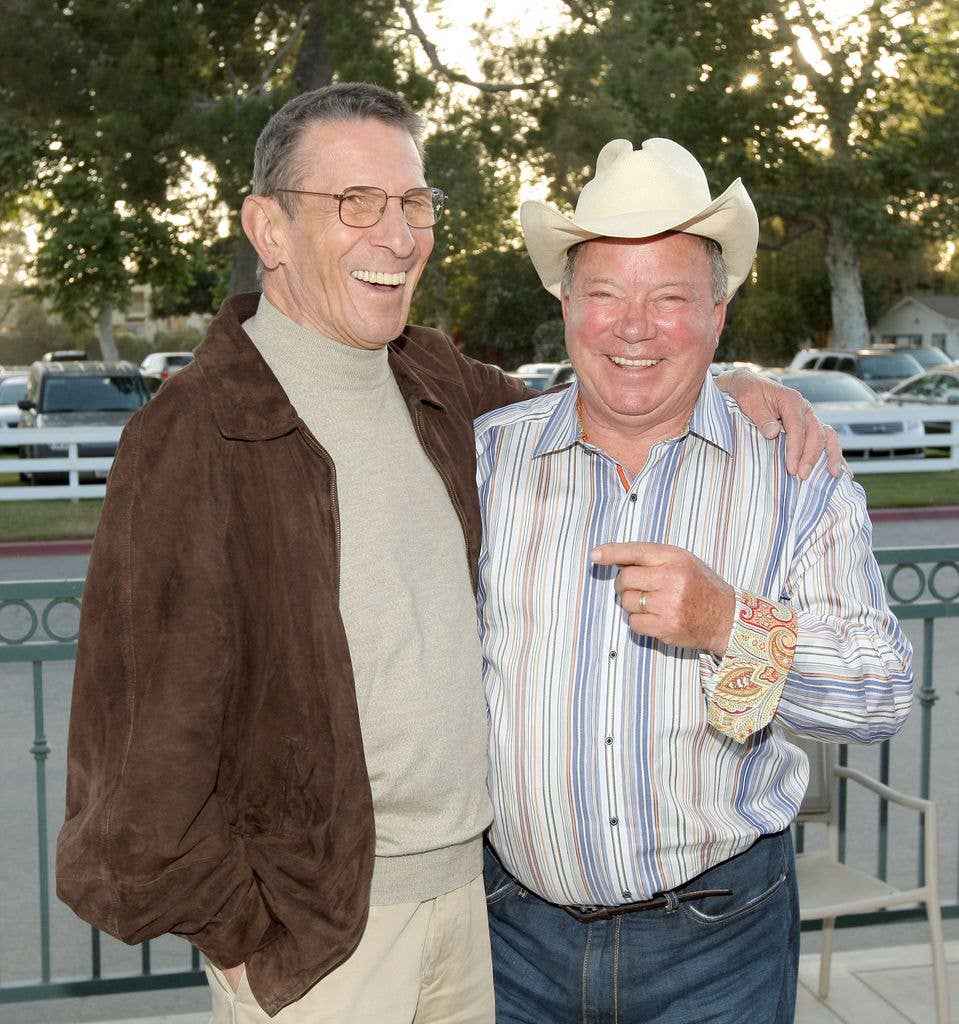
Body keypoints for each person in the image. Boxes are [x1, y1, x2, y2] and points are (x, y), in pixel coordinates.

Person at [56, 85, 836, 1024]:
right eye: (355, 203)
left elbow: (614, 387)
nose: (396, 234)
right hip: (321, 939)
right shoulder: (193, 436)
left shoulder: (438, 385)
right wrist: (252, 933)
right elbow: (137, 757)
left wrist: (736, 379)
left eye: (412, 203)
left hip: (474, 916)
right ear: (267, 227)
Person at [475, 137, 913, 1024]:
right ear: (565, 305)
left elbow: (880, 694)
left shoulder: (795, 473)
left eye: (669, 297)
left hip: (718, 942)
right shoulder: (482, 462)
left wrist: (730, 623)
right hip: (505, 940)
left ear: (717, 315)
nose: (632, 326)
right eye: (604, 293)